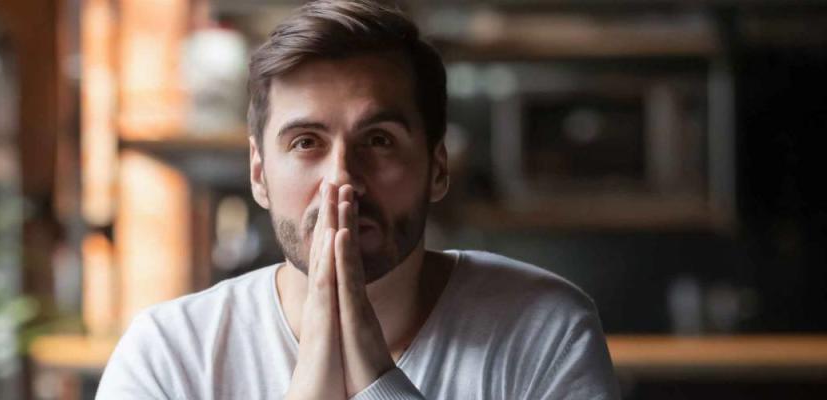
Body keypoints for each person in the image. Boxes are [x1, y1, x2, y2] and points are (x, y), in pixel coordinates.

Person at [96, 1, 619, 399]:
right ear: (259, 174)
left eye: (379, 141)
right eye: (306, 143)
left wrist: (375, 376)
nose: (342, 179)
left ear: (437, 169)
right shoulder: (168, 355)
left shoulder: (545, 329)